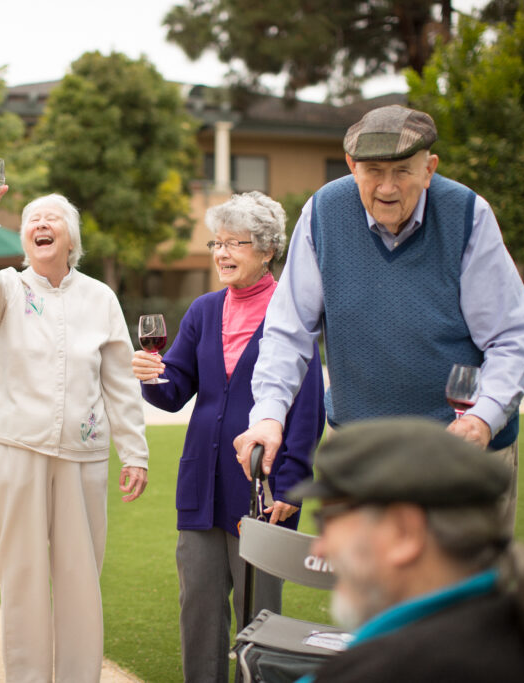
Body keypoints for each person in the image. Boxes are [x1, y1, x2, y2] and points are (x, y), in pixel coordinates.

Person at [234, 105, 524, 529]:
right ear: (351, 167)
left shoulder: (467, 214)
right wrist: (268, 414)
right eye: (374, 171)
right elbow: (287, 332)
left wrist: (483, 419)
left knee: (461, 591)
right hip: (361, 453)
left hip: (459, 452)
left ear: (429, 168)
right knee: (366, 591)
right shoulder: (323, 213)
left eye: (403, 171)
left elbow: (510, 337)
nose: (388, 188)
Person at [0, 176, 149, 682]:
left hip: (84, 457)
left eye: (52, 218)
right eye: (31, 220)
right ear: (22, 239)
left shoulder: (101, 297)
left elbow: (121, 385)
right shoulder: (5, 288)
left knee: (81, 580)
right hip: (17, 450)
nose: (41, 224)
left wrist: (135, 453)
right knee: (20, 576)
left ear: (71, 239)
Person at [132, 192, 325, 682]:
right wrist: (151, 375)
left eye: (234, 243)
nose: (221, 253)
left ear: (266, 250)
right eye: (216, 242)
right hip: (201, 485)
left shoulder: (291, 312)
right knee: (197, 610)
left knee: (261, 620)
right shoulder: (202, 310)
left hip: (262, 489)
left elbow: (307, 408)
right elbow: (174, 392)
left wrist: (291, 484)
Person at [293, 418, 524, 683]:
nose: (319, 548)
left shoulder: (390, 669)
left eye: (327, 521)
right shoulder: (505, 627)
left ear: (404, 532)